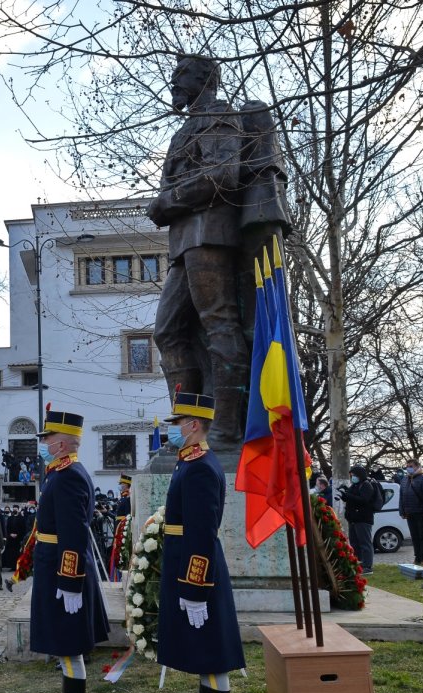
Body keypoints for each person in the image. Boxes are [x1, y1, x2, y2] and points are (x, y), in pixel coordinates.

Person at [146, 55, 248, 450]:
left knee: (220, 324)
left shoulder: (219, 116)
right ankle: (190, 427)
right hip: (185, 241)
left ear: (204, 79)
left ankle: (225, 429)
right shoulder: (187, 127)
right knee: (168, 332)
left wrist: (169, 200)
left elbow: (223, 174)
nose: (174, 82)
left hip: (210, 235)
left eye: (181, 75)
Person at [156, 392, 244, 693]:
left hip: (199, 576)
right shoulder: (188, 463)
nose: (172, 429)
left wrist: (194, 589)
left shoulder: (202, 467)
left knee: (213, 660)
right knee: (206, 659)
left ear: (193, 424)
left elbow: (201, 534)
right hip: (189, 572)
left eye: (176, 423)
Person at [29, 410, 111, 693]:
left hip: (65, 574)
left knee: (69, 648)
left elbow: (75, 534)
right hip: (55, 570)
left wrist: (70, 580)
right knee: (65, 649)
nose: (44, 444)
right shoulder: (60, 473)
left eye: (48, 439)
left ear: (62, 443)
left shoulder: (69, 476)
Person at [337, 465, 378, 574]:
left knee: (365, 543)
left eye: (354, 475)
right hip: (353, 519)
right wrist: (343, 494)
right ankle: (358, 563)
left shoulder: (366, 485)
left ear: (360, 475)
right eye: (351, 475)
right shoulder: (355, 485)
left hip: (363, 519)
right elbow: (351, 497)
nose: (352, 477)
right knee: (355, 543)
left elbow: (363, 500)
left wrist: (347, 495)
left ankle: (367, 566)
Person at [399, 458, 423, 566]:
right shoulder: (405, 479)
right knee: (414, 536)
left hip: (421, 512)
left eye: (411, 466)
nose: (408, 468)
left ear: (417, 467)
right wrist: (402, 510)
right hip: (409, 512)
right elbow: (401, 496)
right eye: (407, 466)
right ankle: (417, 557)